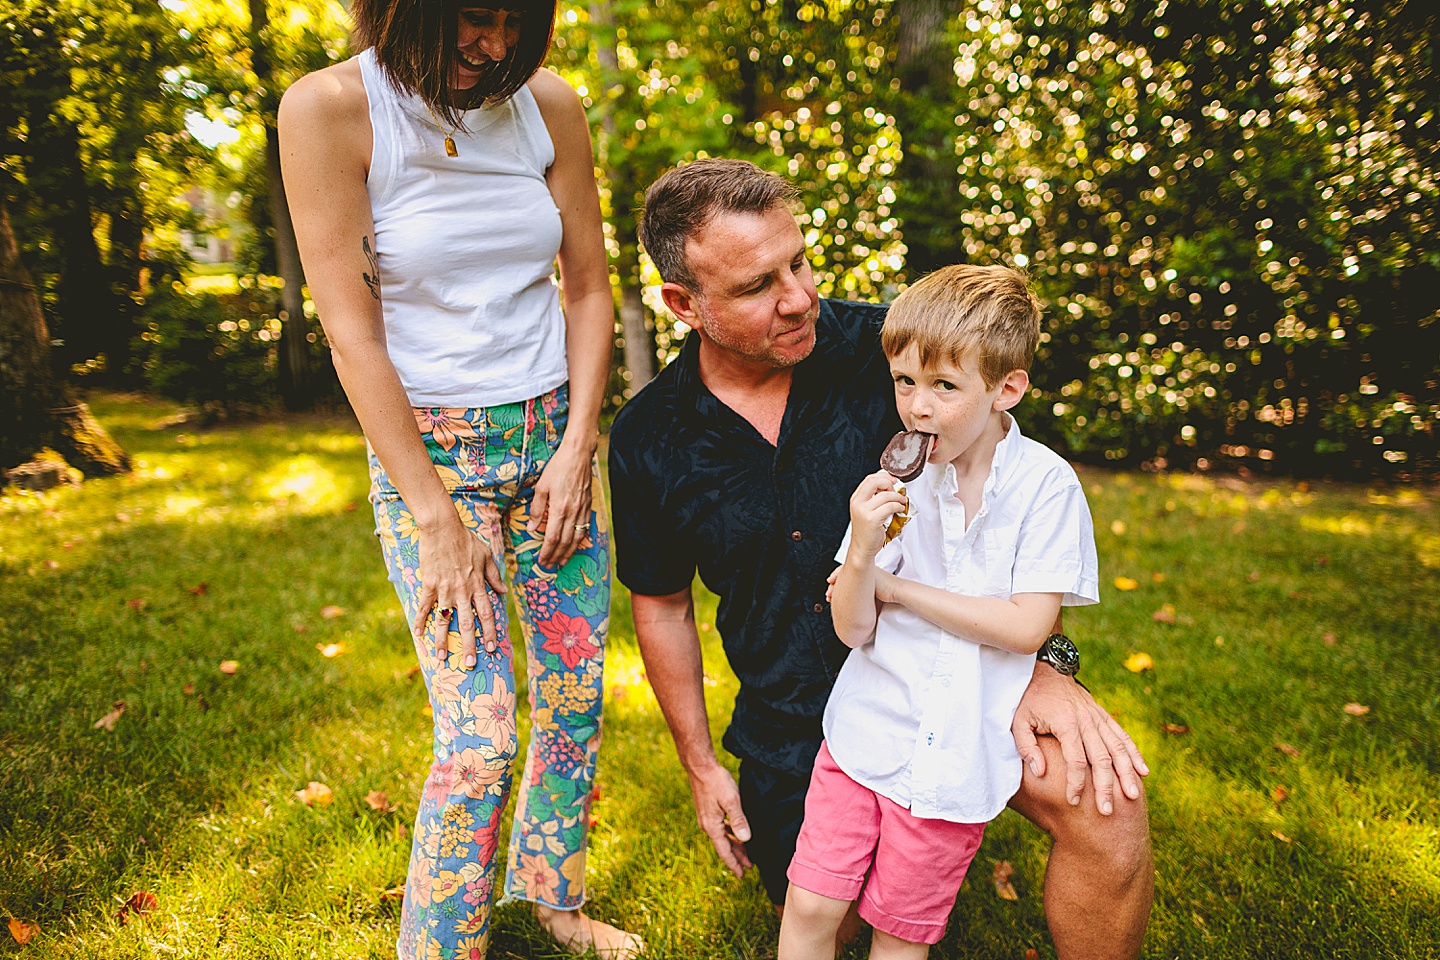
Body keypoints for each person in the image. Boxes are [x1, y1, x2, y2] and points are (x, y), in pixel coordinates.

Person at [608, 159, 1153, 959]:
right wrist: (701, 768)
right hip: (794, 722)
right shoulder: (650, 436)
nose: (798, 296)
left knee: (1108, 807)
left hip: (965, 673)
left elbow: (1012, 496)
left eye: (799, 261)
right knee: (845, 914)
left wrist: (1048, 665)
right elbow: (662, 605)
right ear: (685, 306)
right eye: (759, 285)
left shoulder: (895, 350)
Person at [278, 2, 640, 957]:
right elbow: (353, 334)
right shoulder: (329, 110)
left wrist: (578, 446)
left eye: (514, 25)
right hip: (433, 460)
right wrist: (434, 517)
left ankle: (552, 900)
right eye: (471, 23)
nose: (494, 48)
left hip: (551, 440)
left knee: (573, 701)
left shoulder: (548, 104)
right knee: (480, 744)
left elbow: (591, 285)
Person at [777, 264, 1101, 959]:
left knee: (901, 934)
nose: (917, 408)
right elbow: (853, 627)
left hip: (958, 761)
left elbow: (1025, 626)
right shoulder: (898, 482)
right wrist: (862, 554)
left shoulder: (1045, 486)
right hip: (865, 736)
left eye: (944, 386)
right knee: (811, 902)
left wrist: (897, 589)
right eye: (904, 382)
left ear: (1006, 387)